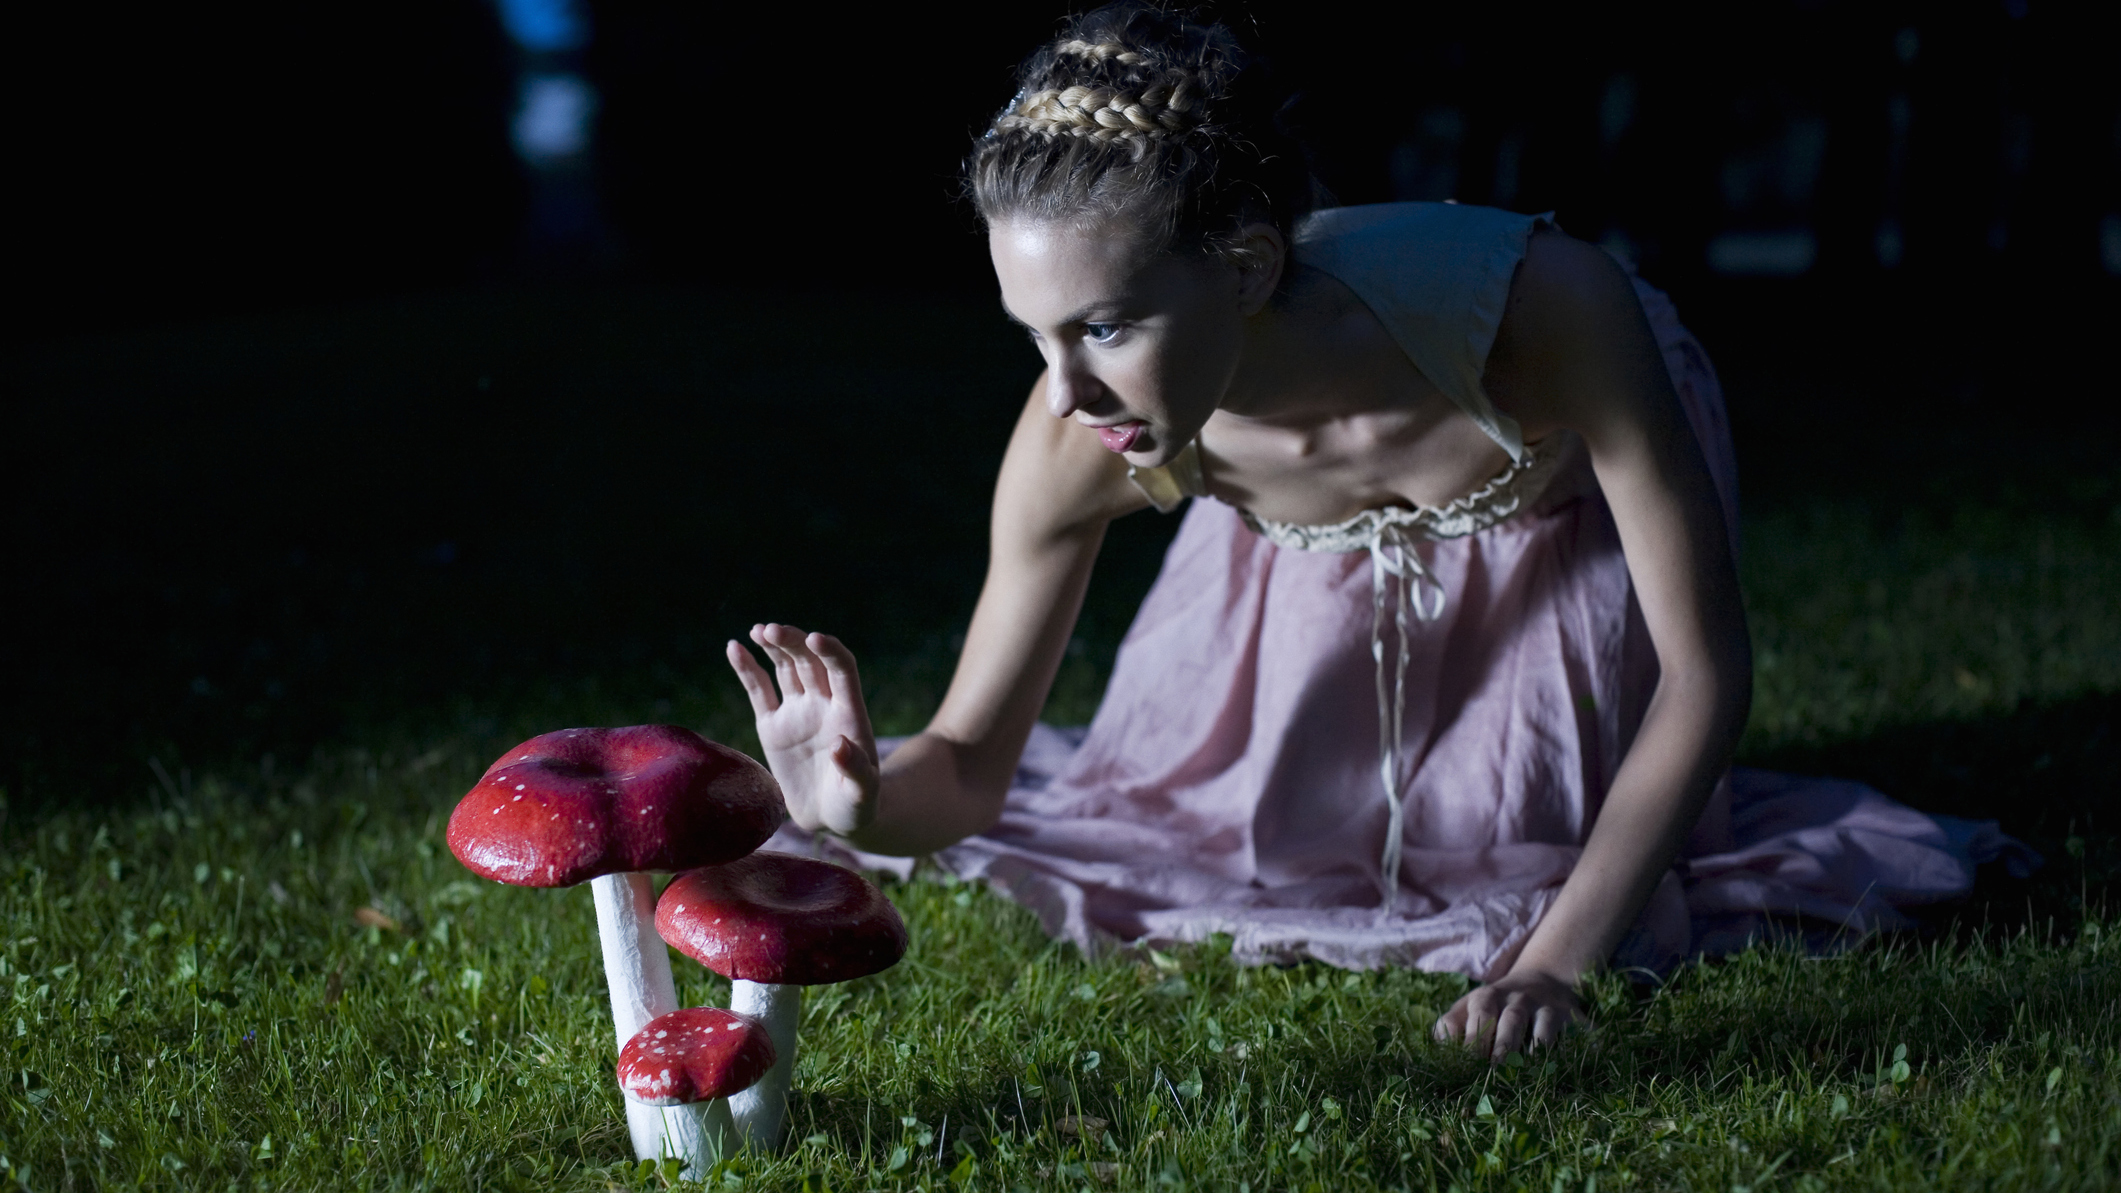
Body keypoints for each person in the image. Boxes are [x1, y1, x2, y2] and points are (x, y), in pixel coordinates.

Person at [724, 4, 2028, 1060]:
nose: (1063, 392)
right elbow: (967, 765)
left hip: (1559, 515)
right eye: (1034, 336)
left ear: (1246, 265)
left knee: (1555, 837)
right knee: (1265, 822)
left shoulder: (1548, 313)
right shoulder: (1082, 434)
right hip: (1299, 538)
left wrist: (1554, 968)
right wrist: (860, 798)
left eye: (1104, 327)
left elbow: (1704, 673)